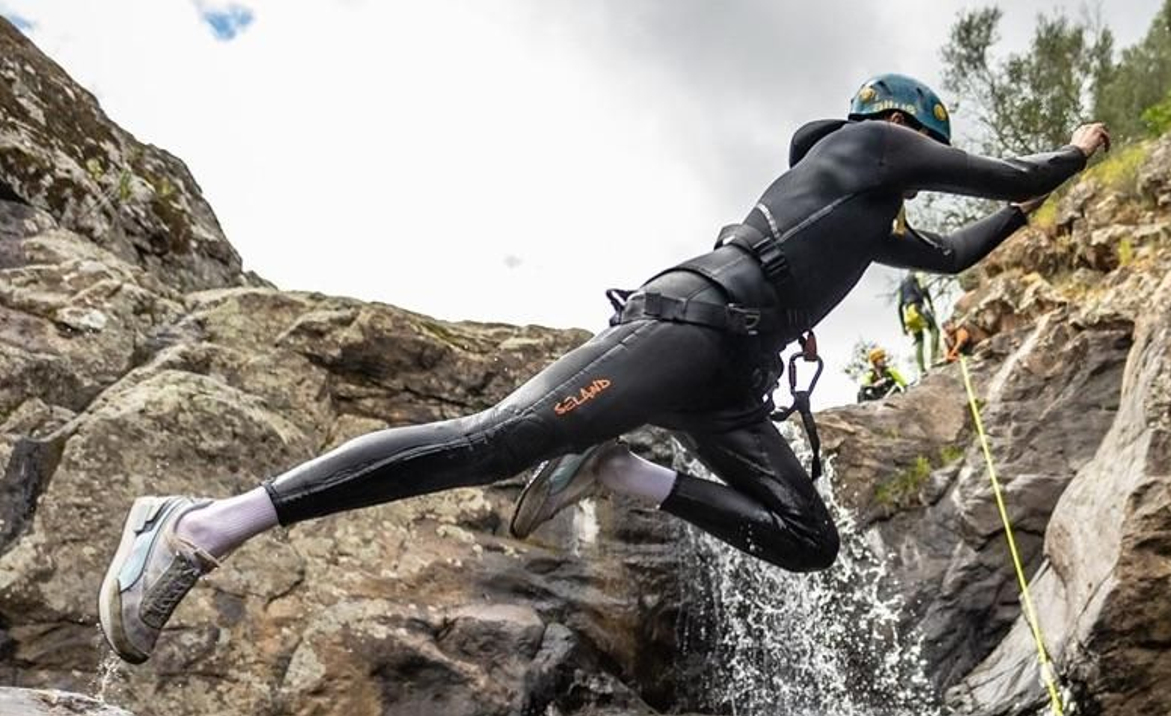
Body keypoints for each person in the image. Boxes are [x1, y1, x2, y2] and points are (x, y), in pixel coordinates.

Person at [98, 72, 1111, 665]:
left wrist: (1022, 216)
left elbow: (953, 252)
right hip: (691, 323)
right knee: (496, 440)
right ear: (908, 131)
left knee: (807, 540)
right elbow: (1019, 169)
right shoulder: (867, 147)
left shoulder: (863, 215)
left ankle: (620, 472)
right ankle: (200, 524)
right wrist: (1070, 154)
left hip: (728, 378)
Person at [897, 273, 940, 375]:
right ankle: (934, 359)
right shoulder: (918, 277)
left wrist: (903, 326)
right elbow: (925, 291)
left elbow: (899, 307)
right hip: (918, 307)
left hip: (908, 313)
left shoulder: (902, 285)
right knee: (934, 330)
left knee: (919, 340)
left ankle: (922, 370)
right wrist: (931, 305)